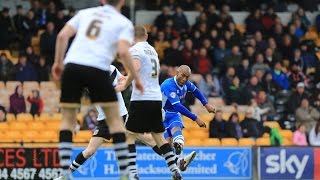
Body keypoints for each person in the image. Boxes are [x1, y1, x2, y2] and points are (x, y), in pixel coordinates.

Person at [52, 0, 143, 179]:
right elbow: (124, 53)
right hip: (97, 67)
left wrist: (58, 62)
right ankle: (125, 173)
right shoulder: (123, 22)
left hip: (72, 66)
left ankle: (64, 172)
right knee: (116, 122)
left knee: (67, 121)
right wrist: (136, 78)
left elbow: (62, 36)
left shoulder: (85, 13)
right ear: (122, 2)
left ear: (102, 0)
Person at [70, 65, 194, 179]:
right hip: (104, 121)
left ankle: (177, 162)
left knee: (150, 140)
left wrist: (130, 80)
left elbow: (124, 79)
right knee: (89, 151)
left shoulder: (111, 69)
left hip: (121, 117)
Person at [118, 26, 187, 180]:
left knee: (128, 135)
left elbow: (135, 68)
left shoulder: (135, 49)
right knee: (158, 137)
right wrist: (127, 75)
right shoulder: (153, 51)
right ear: (147, 36)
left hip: (141, 99)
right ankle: (175, 170)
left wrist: (124, 84)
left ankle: (133, 174)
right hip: (156, 99)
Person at [161, 65, 215, 156]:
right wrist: (195, 118)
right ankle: (178, 160)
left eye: (187, 77)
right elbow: (178, 106)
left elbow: (196, 91)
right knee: (167, 144)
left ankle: (179, 151)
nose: (184, 79)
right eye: (183, 75)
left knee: (176, 128)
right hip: (161, 115)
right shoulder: (168, 85)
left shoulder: (186, 83)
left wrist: (206, 104)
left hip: (174, 114)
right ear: (177, 73)